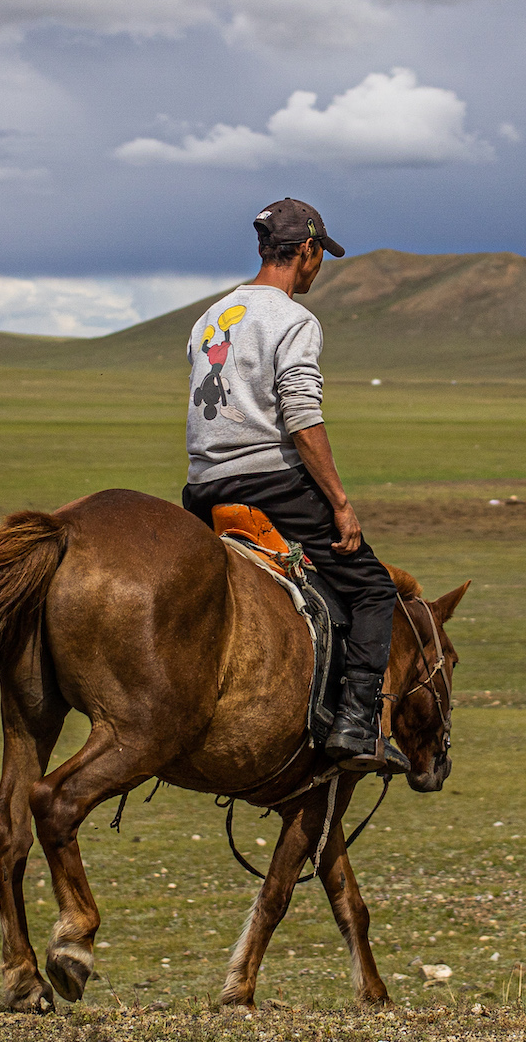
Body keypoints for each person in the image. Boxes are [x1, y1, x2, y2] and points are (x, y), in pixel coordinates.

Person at [180, 198, 406, 775]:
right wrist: (341, 503)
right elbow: (302, 417)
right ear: (305, 250)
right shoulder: (293, 320)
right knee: (375, 590)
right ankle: (354, 725)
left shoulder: (210, 318)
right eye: (318, 256)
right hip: (269, 485)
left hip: (202, 489)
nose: (317, 269)